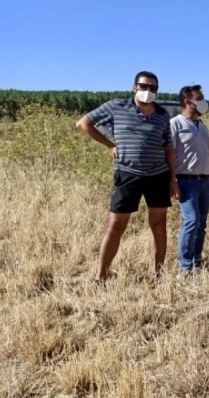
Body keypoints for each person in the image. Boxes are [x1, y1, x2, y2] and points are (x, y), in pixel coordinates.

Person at [75, 71, 177, 283]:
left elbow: (168, 148)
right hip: (127, 174)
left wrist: (172, 178)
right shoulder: (116, 107)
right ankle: (100, 276)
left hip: (158, 175)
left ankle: (158, 275)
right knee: (116, 225)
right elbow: (83, 124)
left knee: (158, 224)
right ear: (134, 87)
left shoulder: (162, 115)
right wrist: (110, 145)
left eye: (153, 88)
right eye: (144, 86)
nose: (148, 91)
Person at [171, 85, 209, 272]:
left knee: (201, 224)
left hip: (204, 181)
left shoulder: (202, 126)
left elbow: (207, 155)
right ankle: (185, 266)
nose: (203, 102)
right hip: (186, 181)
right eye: (199, 98)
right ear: (187, 101)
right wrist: (172, 181)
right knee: (191, 221)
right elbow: (169, 154)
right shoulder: (175, 124)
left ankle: (196, 262)